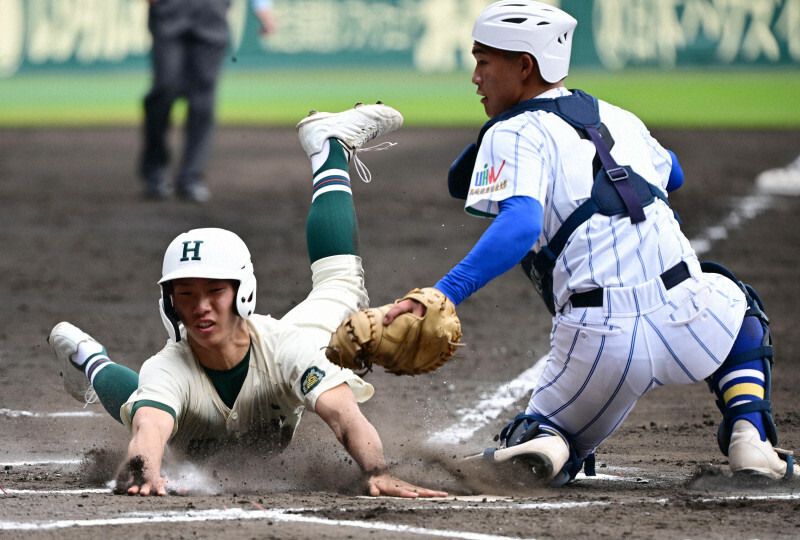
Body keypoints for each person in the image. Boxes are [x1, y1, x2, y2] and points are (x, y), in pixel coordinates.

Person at [386, 0, 795, 485]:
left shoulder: (512, 132)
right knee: (736, 302)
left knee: (548, 438)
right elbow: (675, 171)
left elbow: (518, 226)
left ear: (524, 67)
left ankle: (548, 439)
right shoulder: (617, 117)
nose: (475, 76)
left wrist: (443, 292)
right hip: (690, 314)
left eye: (483, 61)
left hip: (602, 339)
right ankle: (751, 437)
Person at [50, 103, 447, 498]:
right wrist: (143, 471)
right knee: (140, 405)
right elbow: (150, 429)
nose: (200, 306)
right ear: (170, 304)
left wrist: (376, 470)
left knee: (343, 284)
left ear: (243, 293)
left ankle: (328, 149)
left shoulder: (290, 348)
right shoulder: (168, 368)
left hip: (281, 342)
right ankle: (90, 359)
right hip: (183, 407)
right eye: (185, 294)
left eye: (214, 292)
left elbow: (343, 414)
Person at [140, 0, 278, 203]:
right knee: (165, 88)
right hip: (170, 9)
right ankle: (155, 170)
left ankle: (191, 177)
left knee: (203, 98)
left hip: (211, 11)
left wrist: (263, 8)